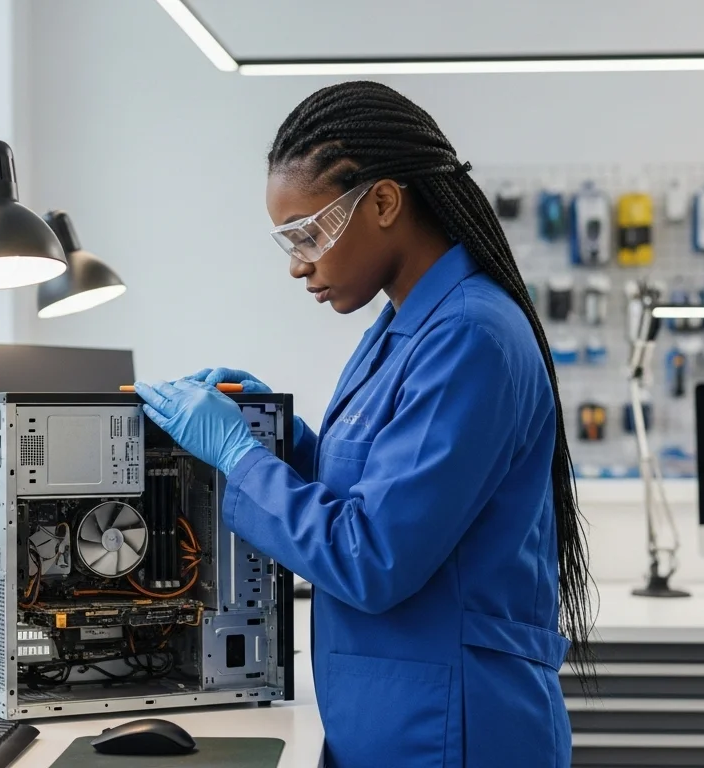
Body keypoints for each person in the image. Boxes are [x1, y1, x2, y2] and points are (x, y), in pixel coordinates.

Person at [134, 81, 591, 768]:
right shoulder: (406, 326)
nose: (299, 264)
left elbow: (372, 556)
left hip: (454, 729)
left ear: (382, 203)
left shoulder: (469, 335)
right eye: (288, 242)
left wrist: (237, 456)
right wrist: (277, 437)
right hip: (393, 715)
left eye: (308, 233)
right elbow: (377, 488)